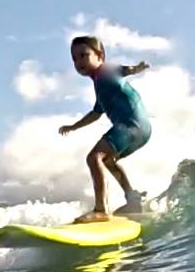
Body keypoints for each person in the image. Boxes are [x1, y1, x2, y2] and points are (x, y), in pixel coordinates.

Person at [59, 35, 151, 222]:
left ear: (100, 56)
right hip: (140, 129)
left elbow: (123, 70)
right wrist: (73, 126)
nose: (79, 62)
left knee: (94, 158)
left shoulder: (105, 72)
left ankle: (101, 209)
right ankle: (133, 199)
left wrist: (136, 68)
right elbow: (96, 113)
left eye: (84, 55)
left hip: (130, 125)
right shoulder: (100, 85)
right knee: (108, 160)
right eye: (75, 58)